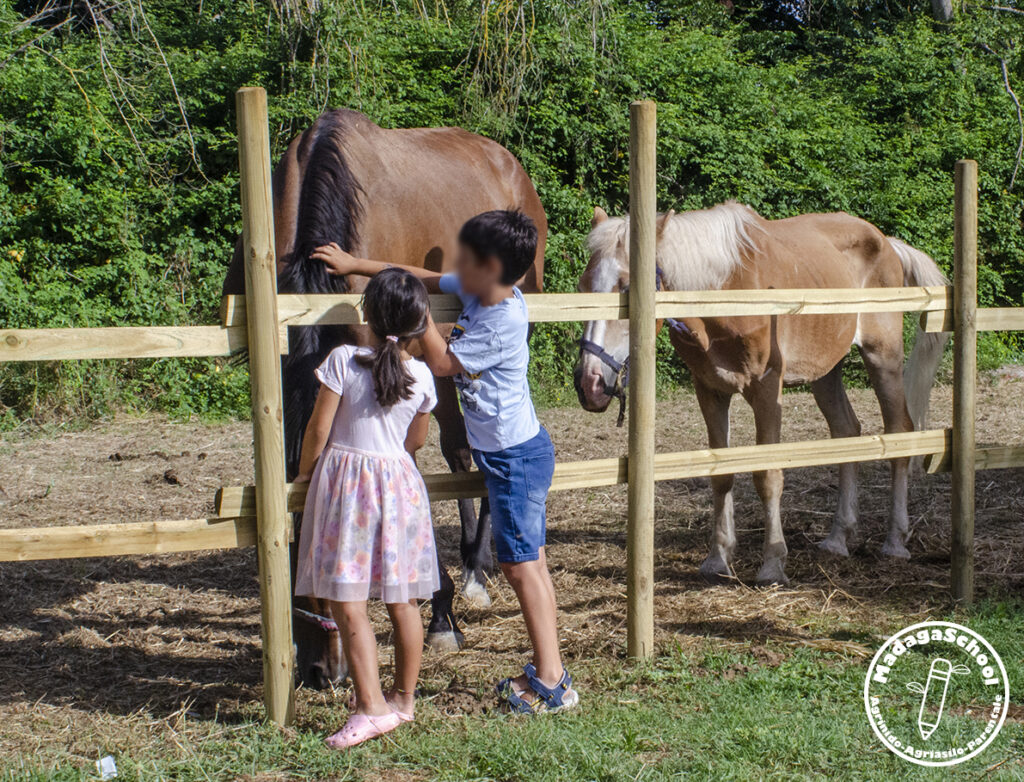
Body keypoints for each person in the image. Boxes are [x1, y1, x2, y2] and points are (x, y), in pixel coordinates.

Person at [311, 210, 578, 714]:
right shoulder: (484, 289)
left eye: (467, 258)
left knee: (521, 567)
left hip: (514, 457)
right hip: (514, 452)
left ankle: (552, 680)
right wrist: (356, 264)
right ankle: (551, 672)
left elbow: (441, 363)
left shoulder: (501, 320)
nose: (455, 264)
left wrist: (413, 312)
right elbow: (424, 275)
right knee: (530, 563)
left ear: (492, 268)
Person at [293, 268, 440, 748]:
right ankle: (405, 700)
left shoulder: (342, 360)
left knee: (347, 599)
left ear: (366, 316)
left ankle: (370, 706)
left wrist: (304, 477)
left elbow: (318, 430)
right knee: (403, 600)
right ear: (421, 323)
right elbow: (415, 441)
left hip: (348, 490)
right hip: (400, 487)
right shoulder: (421, 377)